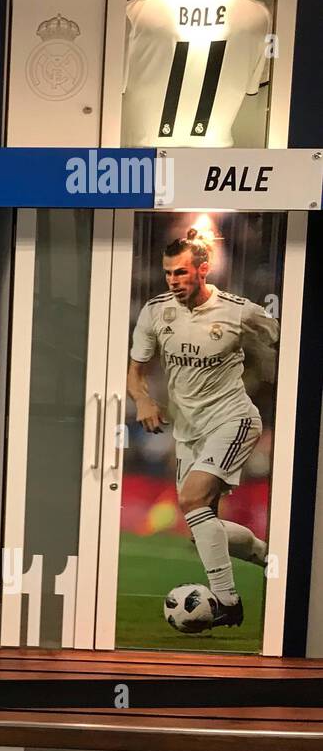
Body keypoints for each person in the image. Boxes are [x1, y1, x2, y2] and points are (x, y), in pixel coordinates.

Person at [127, 227, 277, 628]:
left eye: (180, 272)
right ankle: (271, 556)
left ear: (203, 270)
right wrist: (143, 399)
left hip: (233, 420)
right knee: (201, 529)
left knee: (193, 500)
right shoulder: (156, 312)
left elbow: (285, 344)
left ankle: (228, 604)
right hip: (188, 431)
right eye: (168, 273)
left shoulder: (239, 312)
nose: (173, 280)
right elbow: (136, 370)